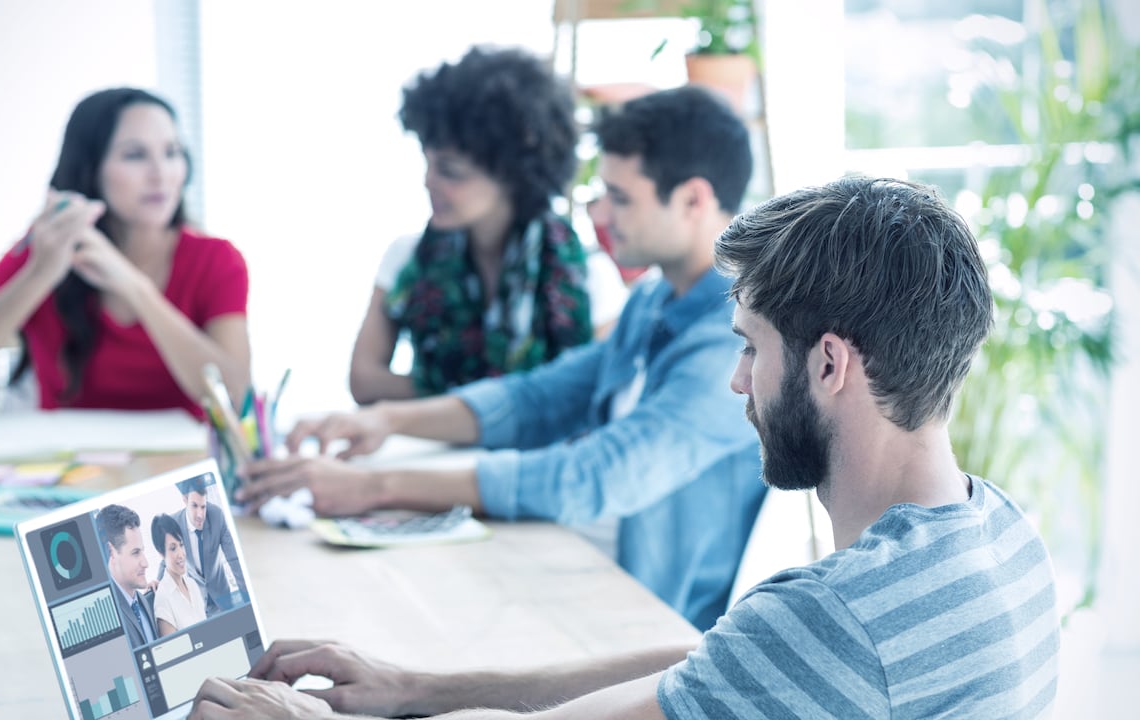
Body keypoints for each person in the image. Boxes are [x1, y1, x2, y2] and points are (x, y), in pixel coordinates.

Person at [189, 177, 1061, 719]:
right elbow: (722, 663)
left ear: (829, 364)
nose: (737, 382)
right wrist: (420, 688)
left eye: (752, 348)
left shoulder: (842, 618)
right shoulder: (999, 531)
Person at [242, 85, 767, 631]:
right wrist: (383, 420)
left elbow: (597, 475)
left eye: (621, 196)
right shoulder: (657, 299)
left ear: (693, 200)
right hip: (577, 558)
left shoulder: (735, 339)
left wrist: (375, 486)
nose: (602, 212)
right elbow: (538, 397)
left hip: (641, 615)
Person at [0, 87, 250, 419]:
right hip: (70, 465)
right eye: (135, 155)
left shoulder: (216, 260)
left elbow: (237, 395)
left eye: (172, 152)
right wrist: (40, 274)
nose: (160, 174)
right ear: (90, 167)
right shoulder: (44, 249)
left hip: (184, 466)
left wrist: (136, 288)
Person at [349, 46, 627, 405]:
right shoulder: (406, 257)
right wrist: (505, 399)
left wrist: (454, 401)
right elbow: (364, 381)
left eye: (450, 171)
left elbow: (595, 394)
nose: (428, 181)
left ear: (512, 175)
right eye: (428, 163)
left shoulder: (589, 275)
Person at [161, 477, 246, 613]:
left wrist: (247, 597)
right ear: (185, 500)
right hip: (197, 602)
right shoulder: (173, 523)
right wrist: (157, 583)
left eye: (203, 506)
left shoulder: (216, 516)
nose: (200, 514)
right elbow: (166, 560)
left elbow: (234, 558)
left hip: (222, 596)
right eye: (194, 506)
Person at [97, 503, 158, 648]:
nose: (145, 563)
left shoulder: (143, 602)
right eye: (135, 553)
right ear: (111, 552)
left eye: (142, 551)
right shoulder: (106, 617)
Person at [151, 512, 208, 636]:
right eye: (173, 548)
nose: (181, 554)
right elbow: (173, 652)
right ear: (161, 553)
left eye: (181, 545)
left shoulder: (192, 585)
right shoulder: (163, 597)